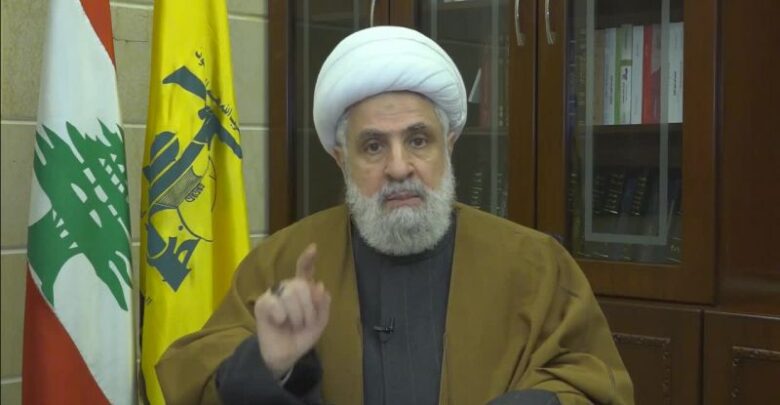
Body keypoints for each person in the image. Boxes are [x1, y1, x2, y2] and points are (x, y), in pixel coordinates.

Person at [156, 26, 634, 405]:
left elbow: (591, 380)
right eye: (373, 146)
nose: (399, 167)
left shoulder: (534, 263)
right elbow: (194, 374)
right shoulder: (282, 262)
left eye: (418, 140)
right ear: (341, 159)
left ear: (448, 145)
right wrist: (268, 364)